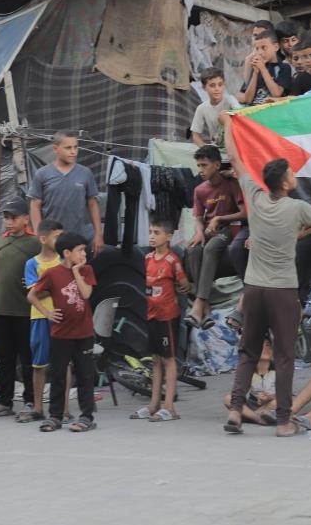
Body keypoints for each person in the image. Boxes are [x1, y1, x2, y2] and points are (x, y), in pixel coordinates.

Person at [220, 111, 311, 437]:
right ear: (285, 183)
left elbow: (235, 158)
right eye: (292, 174)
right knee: (284, 357)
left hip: (253, 290)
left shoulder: (253, 194)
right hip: (283, 292)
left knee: (248, 352)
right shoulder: (298, 209)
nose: (295, 176)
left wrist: (227, 125)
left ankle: (236, 411)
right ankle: (282, 422)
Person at [27, 232, 98, 433]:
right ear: (67, 253)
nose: (84, 254)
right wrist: (47, 313)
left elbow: (85, 294)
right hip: (60, 334)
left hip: (84, 333)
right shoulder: (51, 274)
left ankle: (86, 416)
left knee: (85, 376)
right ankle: (55, 416)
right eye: (80, 250)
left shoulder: (87, 270)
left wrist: (76, 271)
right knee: (57, 375)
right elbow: (32, 295)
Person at [0, 198, 39, 417]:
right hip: (2, 309)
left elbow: (45, 271)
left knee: (27, 358)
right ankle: (4, 401)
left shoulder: (35, 243)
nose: (9, 222)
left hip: (26, 310)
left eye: (13, 217)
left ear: (26, 218)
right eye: (6, 217)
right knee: (5, 359)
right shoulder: (0, 242)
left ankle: (31, 401)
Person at [134, 220, 189, 422]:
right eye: (150, 232)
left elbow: (184, 284)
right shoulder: (148, 258)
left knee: (169, 359)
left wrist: (178, 290)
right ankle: (153, 404)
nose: (151, 236)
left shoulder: (172, 261)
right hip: (152, 314)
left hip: (167, 316)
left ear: (168, 237)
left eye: (156, 232)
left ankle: (169, 407)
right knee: (155, 359)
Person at [185, 145, 245, 329]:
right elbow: (197, 218)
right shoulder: (199, 190)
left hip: (229, 229)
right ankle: (206, 306)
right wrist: (199, 232)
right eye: (199, 165)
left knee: (210, 248)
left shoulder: (231, 184)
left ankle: (199, 303)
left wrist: (219, 219)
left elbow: (244, 213)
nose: (200, 170)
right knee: (193, 249)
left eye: (204, 165)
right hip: (209, 230)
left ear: (217, 164)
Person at [18, 218, 67, 424]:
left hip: (63, 317)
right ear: (43, 238)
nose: (61, 240)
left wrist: (45, 289)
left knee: (64, 364)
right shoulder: (32, 264)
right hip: (39, 317)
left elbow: (45, 290)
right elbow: (34, 292)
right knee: (39, 364)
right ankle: (38, 407)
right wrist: (52, 288)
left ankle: (63, 409)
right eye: (57, 237)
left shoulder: (65, 260)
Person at [27, 130, 103, 253]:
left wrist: (98, 234)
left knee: (77, 270)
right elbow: (35, 206)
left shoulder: (85, 173)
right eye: (68, 148)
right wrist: (39, 233)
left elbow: (93, 204)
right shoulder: (42, 174)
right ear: (56, 149)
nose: (73, 152)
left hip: (78, 238)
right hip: (52, 240)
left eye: (75, 147)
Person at [222, 337, 276, 426]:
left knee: (277, 403)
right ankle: (257, 418)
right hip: (253, 404)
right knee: (228, 398)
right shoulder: (248, 372)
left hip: (270, 405)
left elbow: (286, 394)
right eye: (261, 346)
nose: (265, 349)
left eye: (268, 345)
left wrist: (269, 398)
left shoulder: (277, 372)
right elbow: (238, 392)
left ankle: (251, 416)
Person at [191, 67, 240, 149]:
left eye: (220, 85)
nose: (217, 89)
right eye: (212, 85)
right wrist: (206, 150)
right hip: (217, 147)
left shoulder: (230, 100)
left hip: (235, 145)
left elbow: (241, 114)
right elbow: (195, 135)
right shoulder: (201, 108)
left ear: (224, 85)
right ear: (204, 87)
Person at [239, 30, 292, 105]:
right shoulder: (256, 68)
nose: (260, 52)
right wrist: (255, 73)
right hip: (253, 109)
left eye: (264, 48)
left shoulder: (284, 67)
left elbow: (276, 94)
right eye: (257, 49)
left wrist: (263, 69)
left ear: (276, 47)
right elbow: (248, 99)